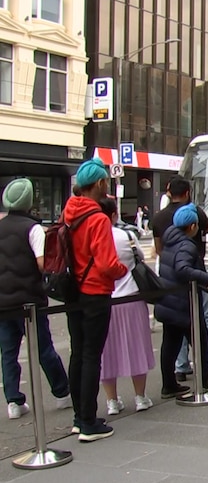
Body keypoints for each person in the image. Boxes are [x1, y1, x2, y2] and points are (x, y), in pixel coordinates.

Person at [64, 158, 128, 442]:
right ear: (100, 183)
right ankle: (89, 421)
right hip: (94, 291)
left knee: (77, 353)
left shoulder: (69, 213)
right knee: (92, 355)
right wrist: (122, 270)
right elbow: (106, 263)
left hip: (72, 290)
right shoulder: (98, 218)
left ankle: (79, 416)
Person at [0, 179, 72, 420]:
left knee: (8, 352)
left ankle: (13, 401)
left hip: (3, 301)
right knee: (43, 348)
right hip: (29, 299)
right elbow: (43, 263)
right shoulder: (33, 229)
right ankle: (62, 392)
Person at [151, 177, 208, 382]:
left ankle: (178, 371)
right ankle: (204, 376)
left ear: (168, 192)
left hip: (167, 282)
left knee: (172, 337)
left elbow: (158, 250)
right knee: (199, 329)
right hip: (188, 288)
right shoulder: (192, 219)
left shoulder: (159, 220)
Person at [97, 197, 155, 415]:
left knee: (106, 351)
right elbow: (138, 257)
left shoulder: (93, 237)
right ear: (113, 215)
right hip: (131, 297)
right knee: (136, 346)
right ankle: (140, 396)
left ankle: (112, 401)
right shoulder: (127, 236)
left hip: (105, 299)